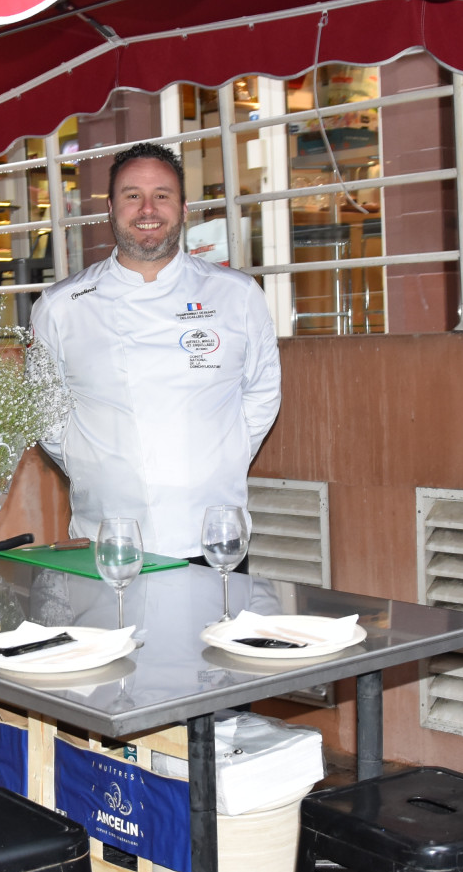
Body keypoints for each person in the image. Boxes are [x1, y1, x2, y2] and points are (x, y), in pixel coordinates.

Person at [30, 141, 281, 560]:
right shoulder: (60, 306)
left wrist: (219, 462)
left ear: (184, 208)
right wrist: (100, 470)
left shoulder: (237, 294)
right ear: (110, 207)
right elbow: (46, 416)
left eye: (161, 195)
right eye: (133, 196)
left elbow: (262, 394)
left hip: (213, 536)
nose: (148, 209)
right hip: (107, 537)